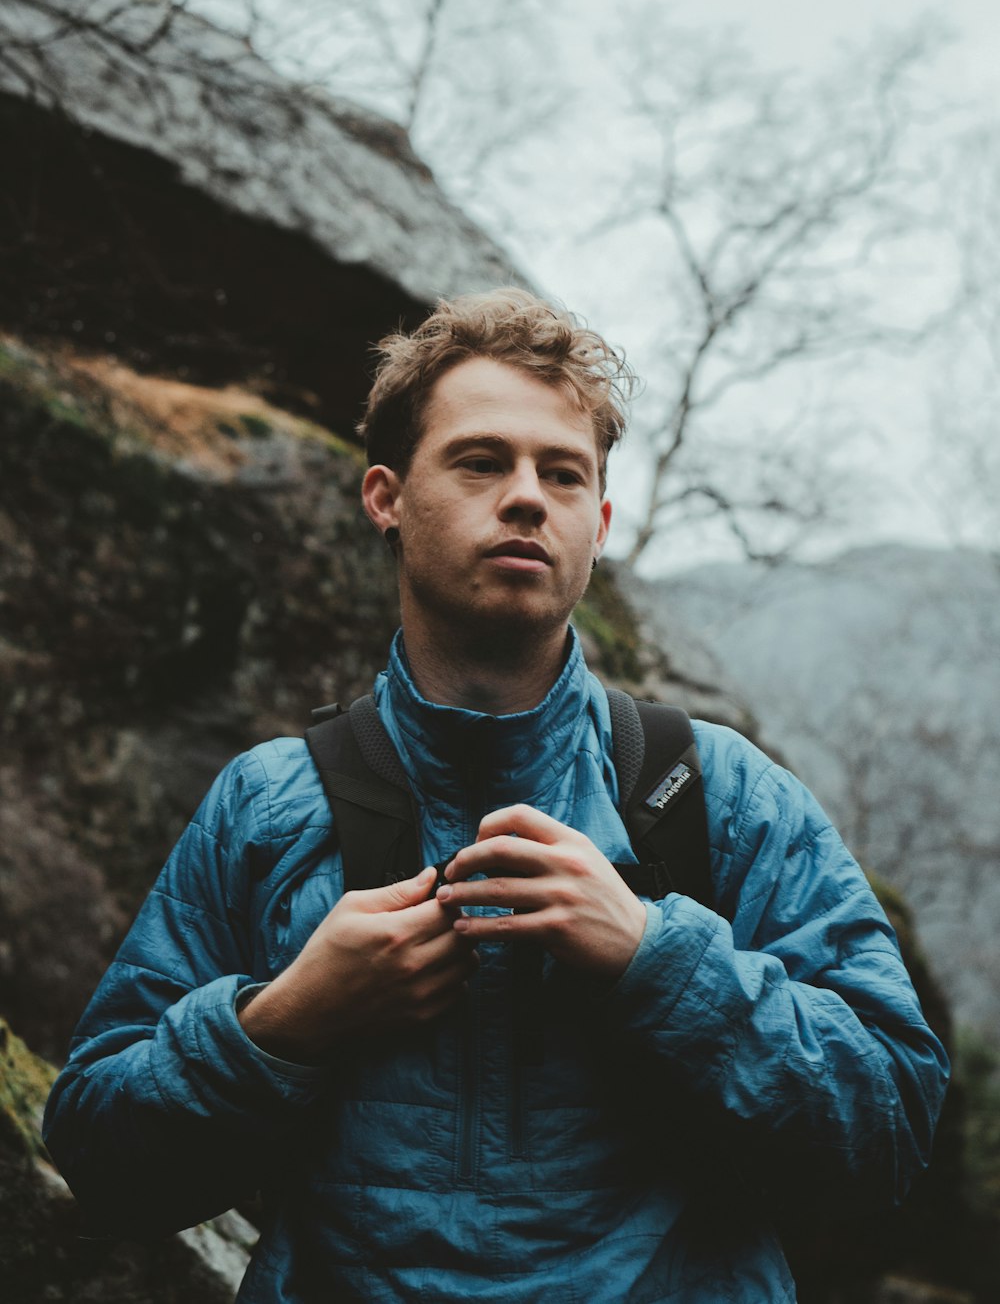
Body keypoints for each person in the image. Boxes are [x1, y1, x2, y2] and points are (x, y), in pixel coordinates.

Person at [44, 288, 948, 1303]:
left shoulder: (715, 793)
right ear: (385, 496)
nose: (526, 497)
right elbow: (101, 1155)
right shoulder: (267, 804)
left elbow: (892, 1128)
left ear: (597, 523)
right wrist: (284, 1020)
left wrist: (659, 961)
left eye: (562, 474)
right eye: (480, 461)